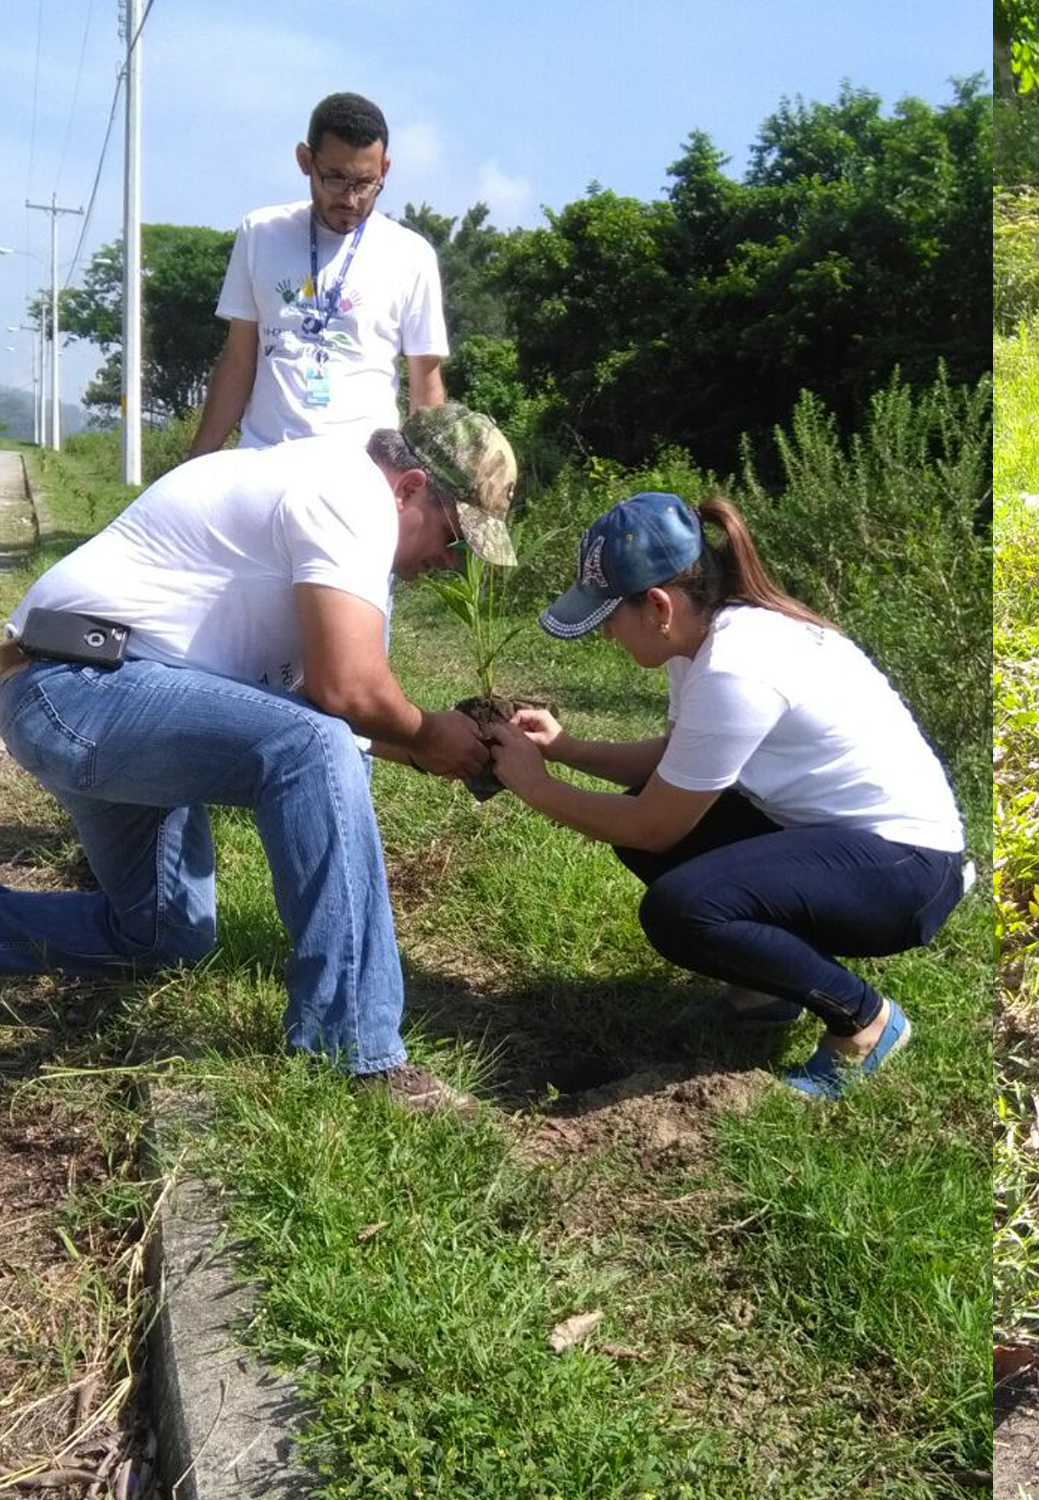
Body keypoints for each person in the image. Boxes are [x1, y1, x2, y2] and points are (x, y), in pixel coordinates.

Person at [0, 403, 518, 1111]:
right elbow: (346, 695)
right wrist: (430, 734)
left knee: (164, 935)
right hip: (81, 690)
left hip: (107, 695)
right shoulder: (349, 494)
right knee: (315, 748)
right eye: (455, 539)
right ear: (409, 488)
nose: (448, 564)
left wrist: (440, 750)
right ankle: (355, 1051)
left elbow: (322, 698)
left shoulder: (317, 489)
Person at [484, 490, 968, 1100]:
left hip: (907, 871)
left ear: (658, 606)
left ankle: (865, 1022)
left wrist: (537, 787)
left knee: (680, 907)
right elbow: (680, 762)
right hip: (849, 845)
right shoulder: (706, 640)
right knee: (660, 836)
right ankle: (766, 993)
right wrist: (569, 749)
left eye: (608, 615)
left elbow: (652, 824)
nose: (605, 632)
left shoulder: (737, 665)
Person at [189, 92, 448, 457]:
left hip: (359, 469)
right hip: (264, 459)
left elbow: (426, 387)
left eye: (366, 183)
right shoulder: (261, 233)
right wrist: (195, 466)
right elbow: (238, 359)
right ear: (305, 160)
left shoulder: (411, 255)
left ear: (385, 170)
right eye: (336, 179)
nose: (351, 199)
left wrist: (424, 489)